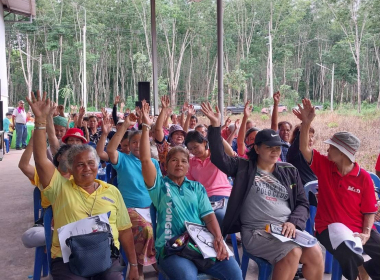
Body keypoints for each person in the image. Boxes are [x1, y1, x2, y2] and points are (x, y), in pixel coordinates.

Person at [201, 102, 324, 280]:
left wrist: (293, 222)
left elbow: (302, 203)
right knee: (292, 252)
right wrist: (214, 126)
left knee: (315, 252)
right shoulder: (244, 168)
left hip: (287, 229)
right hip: (257, 232)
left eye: (278, 147)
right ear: (257, 149)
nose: (275, 151)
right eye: (269, 147)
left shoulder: (289, 171)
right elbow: (219, 158)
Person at [26, 91, 139, 280]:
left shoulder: (111, 191)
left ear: (98, 165)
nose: (86, 168)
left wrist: (134, 265)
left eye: (91, 163)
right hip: (68, 260)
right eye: (80, 164)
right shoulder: (60, 187)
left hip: (106, 258)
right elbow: (40, 160)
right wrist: (40, 121)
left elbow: (125, 230)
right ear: (70, 167)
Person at [139, 100, 242, 280]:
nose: (179, 164)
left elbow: (209, 216)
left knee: (235, 273)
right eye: (174, 160)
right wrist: (146, 126)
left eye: (184, 161)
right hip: (172, 248)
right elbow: (146, 160)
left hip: (201, 243)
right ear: (166, 164)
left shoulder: (196, 187)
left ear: (189, 166)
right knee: (187, 277)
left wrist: (218, 238)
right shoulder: (159, 186)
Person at [295, 98, 380, 280]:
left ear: (342, 152)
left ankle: (364, 270)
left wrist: (365, 233)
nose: (327, 150)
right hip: (328, 228)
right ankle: (360, 273)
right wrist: (306, 122)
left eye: (331, 147)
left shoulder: (363, 177)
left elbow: (369, 210)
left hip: (358, 229)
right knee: (349, 254)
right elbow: (304, 148)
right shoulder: (325, 166)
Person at [106, 113, 161, 279]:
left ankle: (161, 263)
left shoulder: (154, 163)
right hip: (129, 209)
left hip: (151, 208)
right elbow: (110, 149)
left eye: (140, 142)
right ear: (128, 145)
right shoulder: (122, 159)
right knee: (146, 230)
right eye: (133, 142)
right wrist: (125, 126)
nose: (137, 145)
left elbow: (159, 187)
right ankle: (142, 268)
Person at [19, 136, 71, 248]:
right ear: (59, 158)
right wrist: (32, 142)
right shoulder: (46, 175)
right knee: (29, 237)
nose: (72, 159)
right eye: (69, 155)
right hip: (49, 221)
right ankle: (60, 240)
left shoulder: (80, 179)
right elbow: (24, 166)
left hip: (72, 219)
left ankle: (60, 241)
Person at [185, 131, 232, 228]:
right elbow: (190, 184)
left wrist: (217, 136)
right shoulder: (190, 163)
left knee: (220, 216)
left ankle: (219, 241)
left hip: (222, 195)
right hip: (202, 198)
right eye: (190, 149)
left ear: (204, 142)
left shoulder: (216, 155)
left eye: (195, 147)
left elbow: (231, 154)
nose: (193, 151)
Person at [154, 96, 187, 175]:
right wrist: (164, 109)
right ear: (170, 137)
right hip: (167, 182)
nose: (179, 136)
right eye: (176, 134)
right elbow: (158, 130)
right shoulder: (165, 148)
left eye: (182, 134)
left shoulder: (187, 149)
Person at [270, 92, 291, 162]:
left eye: (288, 130)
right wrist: (276, 104)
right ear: (278, 131)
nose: (285, 132)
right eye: (282, 130)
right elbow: (274, 124)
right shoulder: (278, 142)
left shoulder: (292, 145)